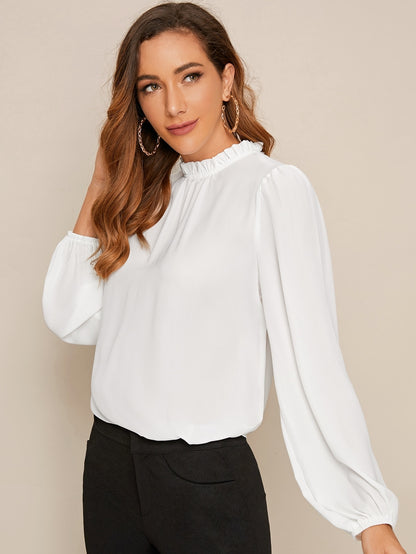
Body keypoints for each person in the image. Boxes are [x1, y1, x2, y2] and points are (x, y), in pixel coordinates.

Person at [41, 2, 406, 553]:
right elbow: (70, 318)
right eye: (151, 86)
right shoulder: (147, 195)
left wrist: (368, 516)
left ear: (227, 79)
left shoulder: (270, 190)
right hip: (111, 469)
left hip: (204, 483)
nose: (173, 105)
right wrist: (100, 183)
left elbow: (312, 357)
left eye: (190, 76)